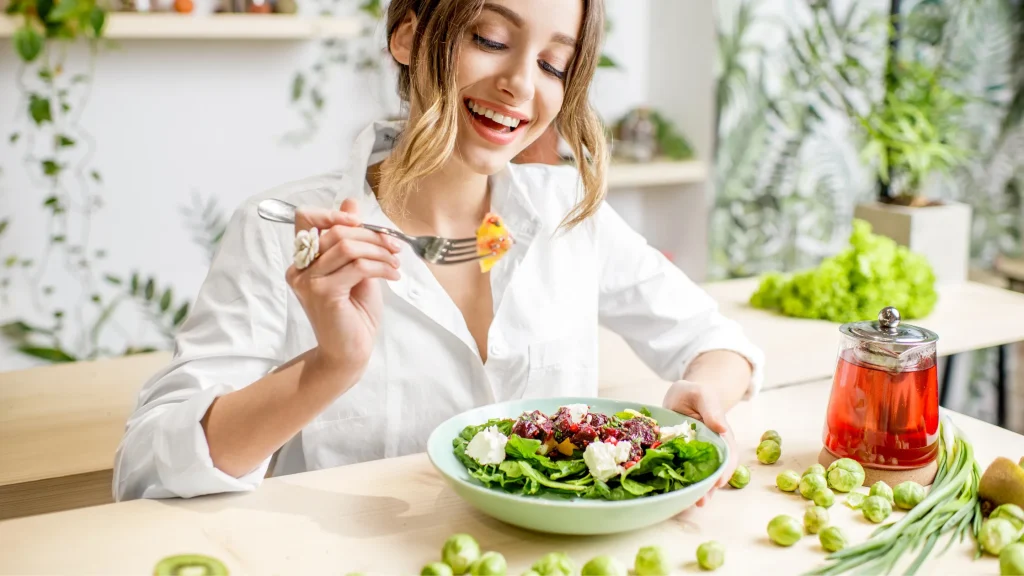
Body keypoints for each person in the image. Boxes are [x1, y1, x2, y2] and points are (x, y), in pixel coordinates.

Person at [112, 0, 765, 505]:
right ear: (409, 35)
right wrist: (331, 366)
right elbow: (147, 471)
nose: (518, 84)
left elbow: (717, 340)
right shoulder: (279, 228)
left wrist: (702, 393)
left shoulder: (570, 214)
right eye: (490, 40)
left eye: (552, 64)